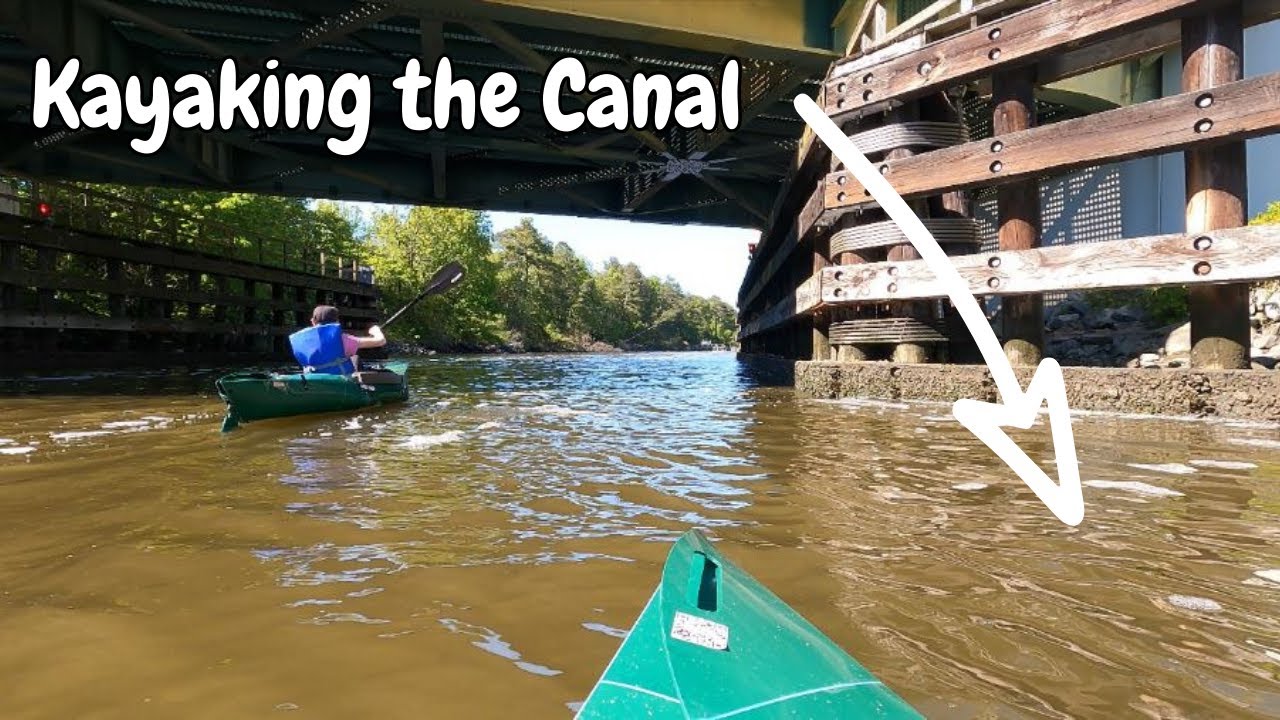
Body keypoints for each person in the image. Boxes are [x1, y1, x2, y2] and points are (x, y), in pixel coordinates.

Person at [288, 305, 385, 375]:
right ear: (337, 322)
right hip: (341, 384)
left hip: (313, 384)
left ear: (313, 321)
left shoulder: (303, 342)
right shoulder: (344, 339)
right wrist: (376, 330)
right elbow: (380, 341)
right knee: (356, 359)